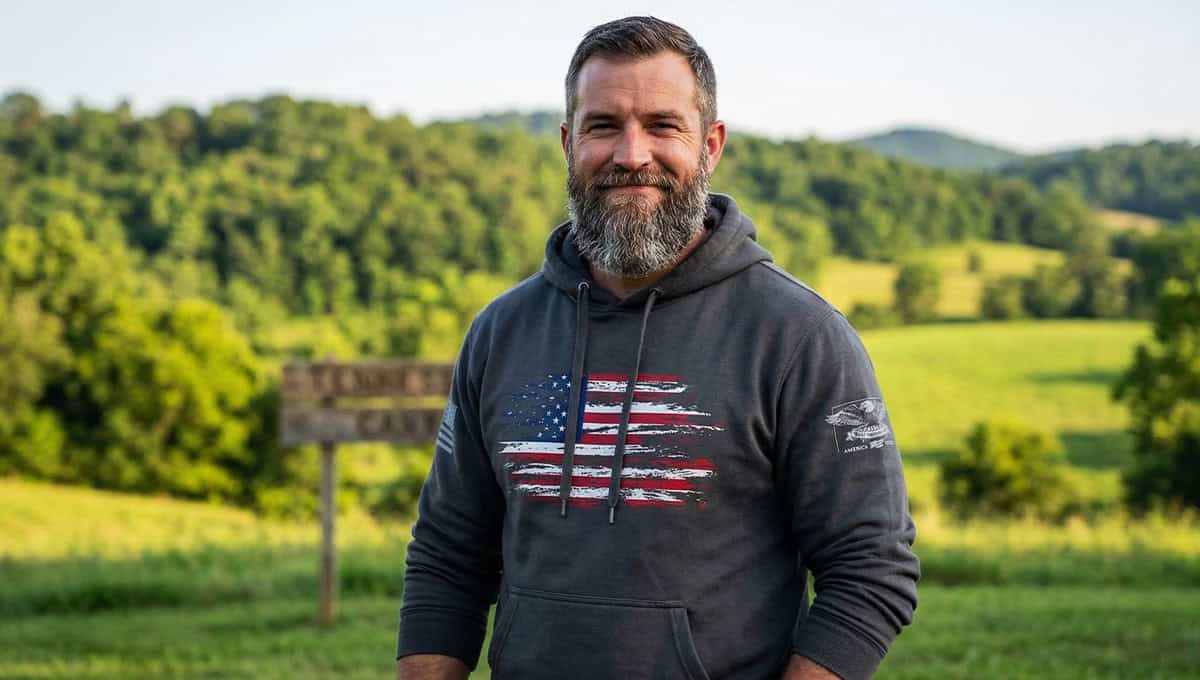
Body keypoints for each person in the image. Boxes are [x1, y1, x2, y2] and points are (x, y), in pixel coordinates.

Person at [396, 16, 919, 680]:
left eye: (663, 126)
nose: (631, 154)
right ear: (568, 143)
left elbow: (872, 567)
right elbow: (448, 554)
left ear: (711, 145)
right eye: (603, 126)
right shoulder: (500, 333)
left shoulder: (799, 336)